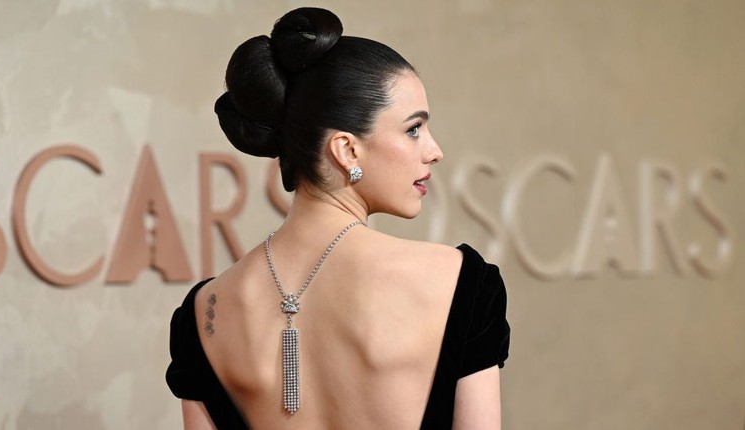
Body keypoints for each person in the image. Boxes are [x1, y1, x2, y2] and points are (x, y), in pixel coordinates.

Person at [166, 7, 510, 429]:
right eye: (413, 129)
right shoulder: (458, 280)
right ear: (347, 150)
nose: (434, 150)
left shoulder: (204, 314)